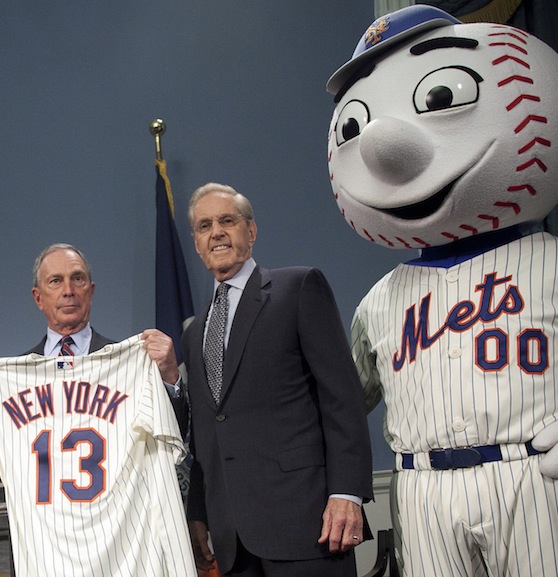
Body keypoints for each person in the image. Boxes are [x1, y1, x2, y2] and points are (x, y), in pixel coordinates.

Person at [325, 5, 558, 575]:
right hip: (420, 484)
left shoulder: (551, 261)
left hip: (530, 475)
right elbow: (342, 405)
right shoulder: (380, 301)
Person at [182, 183, 373, 577]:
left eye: (227, 220)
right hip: (232, 540)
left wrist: (346, 492)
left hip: (308, 526)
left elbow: (343, 399)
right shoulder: (193, 331)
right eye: (204, 226)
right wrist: (198, 514)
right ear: (197, 244)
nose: (216, 231)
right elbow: (206, 432)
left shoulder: (298, 288)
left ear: (250, 232)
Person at [0, 242, 187, 428]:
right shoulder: (12, 378)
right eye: (56, 281)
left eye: (77, 279)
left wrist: (170, 379)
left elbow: (171, 430)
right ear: (38, 298)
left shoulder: (128, 366)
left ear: (90, 292)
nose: (68, 291)